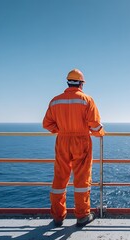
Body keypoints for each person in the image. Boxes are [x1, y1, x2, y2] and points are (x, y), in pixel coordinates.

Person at [43, 68, 105, 227]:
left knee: (60, 177)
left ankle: (58, 217)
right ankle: (82, 216)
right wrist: (100, 133)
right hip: (81, 141)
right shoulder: (86, 100)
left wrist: (62, 130)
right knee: (82, 179)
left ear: (68, 82)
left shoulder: (55, 100)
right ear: (81, 83)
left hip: (62, 141)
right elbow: (95, 124)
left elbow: (47, 124)